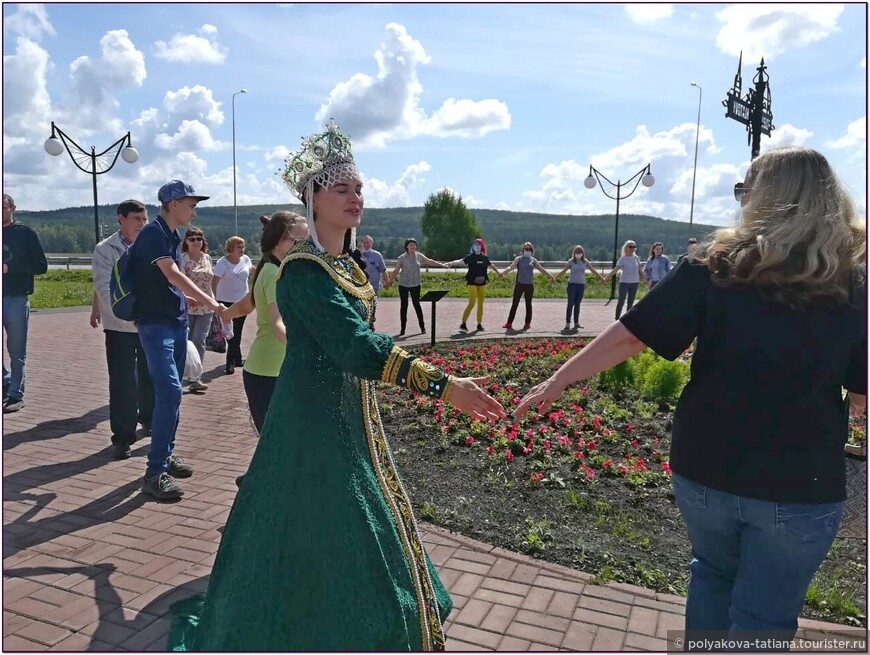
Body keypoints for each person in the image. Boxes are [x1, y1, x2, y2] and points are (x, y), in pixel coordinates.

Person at [168, 120, 506, 651]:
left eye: (360, 189)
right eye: (342, 188)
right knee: (323, 517)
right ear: (312, 198)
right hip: (310, 417)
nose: (356, 197)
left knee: (346, 521)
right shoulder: (302, 272)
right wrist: (444, 385)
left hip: (351, 413)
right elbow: (353, 346)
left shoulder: (344, 264)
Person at [514, 147, 867, 646]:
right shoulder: (853, 280)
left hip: (706, 468)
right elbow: (862, 392)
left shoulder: (717, 265)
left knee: (712, 576)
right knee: (763, 617)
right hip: (800, 479)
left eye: (747, 190)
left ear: (765, 197)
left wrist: (559, 380)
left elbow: (633, 334)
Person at [130, 180, 224, 501]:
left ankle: (165, 454)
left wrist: (187, 299)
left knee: (176, 393)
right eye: (190, 204)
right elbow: (172, 274)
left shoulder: (171, 235)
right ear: (172, 204)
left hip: (175, 321)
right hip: (155, 324)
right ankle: (154, 472)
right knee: (169, 391)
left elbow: (167, 284)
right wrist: (209, 301)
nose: (194, 211)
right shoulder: (153, 233)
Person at [220, 211, 310, 487]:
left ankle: (255, 481)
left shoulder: (269, 268)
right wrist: (301, 353)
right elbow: (277, 323)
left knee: (277, 437)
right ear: (280, 241)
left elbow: (247, 304)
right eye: (299, 241)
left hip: (268, 369)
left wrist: (224, 314)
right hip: (267, 372)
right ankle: (258, 488)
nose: (304, 248)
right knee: (278, 437)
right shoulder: (273, 273)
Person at [90, 199, 154, 458]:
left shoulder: (151, 245)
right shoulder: (105, 250)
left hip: (150, 324)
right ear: (121, 219)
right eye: (137, 219)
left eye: (145, 219)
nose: (142, 224)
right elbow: (105, 288)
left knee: (151, 377)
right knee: (122, 382)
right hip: (119, 326)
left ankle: (149, 419)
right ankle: (123, 436)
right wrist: (130, 315)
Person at [2, 193, 47, 414]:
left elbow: (41, 265)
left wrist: (10, 269)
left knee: (16, 350)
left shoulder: (25, 234)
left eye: (3, 207)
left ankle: (15, 395)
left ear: (13, 208)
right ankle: (5, 382)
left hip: (16, 297)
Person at [385, 237, 446, 336]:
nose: (413, 246)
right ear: (407, 247)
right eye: (411, 245)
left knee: (417, 305)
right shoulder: (402, 258)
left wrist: (441, 265)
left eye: (414, 245)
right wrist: (389, 282)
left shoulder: (419, 256)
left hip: (415, 284)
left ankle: (422, 327)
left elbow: (429, 261)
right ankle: (403, 329)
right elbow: (396, 271)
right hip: (403, 284)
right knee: (404, 306)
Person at [212, 236, 253, 374]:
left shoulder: (246, 260)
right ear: (231, 249)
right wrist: (213, 300)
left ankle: (236, 359)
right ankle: (231, 362)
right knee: (230, 332)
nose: (242, 249)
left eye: (243, 246)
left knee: (238, 331)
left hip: (242, 300)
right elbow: (215, 281)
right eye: (238, 247)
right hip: (225, 301)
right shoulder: (222, 263)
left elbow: (254, 270)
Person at [181, 226, 214, 392]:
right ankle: (180, 374)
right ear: (186, 241)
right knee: (184, 341)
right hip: (187, 306)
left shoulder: (207, 257)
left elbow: (210, 281)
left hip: (206, 307)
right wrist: (185, 297)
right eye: (192, 239)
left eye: (199, 238)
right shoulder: (182, 259)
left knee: (199, 340)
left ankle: (196, 378)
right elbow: (176, 281)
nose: (196, 242)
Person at [446, 237, 501, 332]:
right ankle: (463, 323)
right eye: (475, 244)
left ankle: (479, 324)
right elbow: (460, 261)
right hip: (472, 283)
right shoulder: (470, 257)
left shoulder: (484, 257)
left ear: (482, 246)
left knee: (480, 304)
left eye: (478, 244)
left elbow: (491, 265)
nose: (477, 246)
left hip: (482, 283)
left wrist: (498, 272)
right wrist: (450, 263)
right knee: (472, 303)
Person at [500, 241, 555, 330]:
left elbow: (541, 269)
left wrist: (550, 276)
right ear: (523, 250)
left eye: (529, 249)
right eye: (526, 249)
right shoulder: (519, 259)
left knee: (528, 305)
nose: (527, 250)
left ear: (531, 250)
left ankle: (527, 323)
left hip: (529, 285)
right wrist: (504, 272)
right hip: (519, 284)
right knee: (515, 304)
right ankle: (509, 323)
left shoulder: (533, 260)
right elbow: (511, 267)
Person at [554, 244, 606, 331]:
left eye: (580, 252)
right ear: (574, 253)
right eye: (577, 252)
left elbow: (593, 271)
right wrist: (555, 278)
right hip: (572, 285)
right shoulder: (571, 262)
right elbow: (563, 271)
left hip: (581, 285)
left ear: (583, 253)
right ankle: (567, 323)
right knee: (570, 303)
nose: (578, 253)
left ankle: (576, 322)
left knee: (577, 304)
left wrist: (601, 278)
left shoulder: (585, 262)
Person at [605, 239, 645, 319]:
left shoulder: (636, 258)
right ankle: (617, 319)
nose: (632, 249)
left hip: (634, 282)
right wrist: (606, 278)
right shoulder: (623, 259)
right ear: (626, 247)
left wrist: (646, 279)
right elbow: (615, 269)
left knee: (630, 303)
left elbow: (640, 270)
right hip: (624, 282)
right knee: (621, 302)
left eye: (634, 247)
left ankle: (627, 319)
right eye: (630, 247)